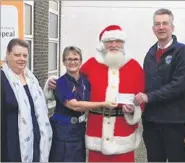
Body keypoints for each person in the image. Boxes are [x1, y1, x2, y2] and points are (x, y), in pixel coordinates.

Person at [44, 25, 145, 162]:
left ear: (123, 43)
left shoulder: (135, 67)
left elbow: (141, 96)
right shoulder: (91, 64)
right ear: (102, 44)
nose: (114, 45)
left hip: (123, 131)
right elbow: (72, 79)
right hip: (96, 130)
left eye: (118, 41)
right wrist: (53, 82)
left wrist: (134, 109)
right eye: (109, 41)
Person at [134, 8, 185, 162]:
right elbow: (144, 83)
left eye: (165, 23)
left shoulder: (181, 51)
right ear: (153, 29)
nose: (161, 27)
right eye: (157, 24)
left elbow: (179, 85)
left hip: (175, 122)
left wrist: (149, 97)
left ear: (172, 27)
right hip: (152, 122)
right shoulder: (150, 53)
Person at [48, 46, 117, 162]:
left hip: (79, 131)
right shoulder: (60, 83)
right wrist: (104, 104)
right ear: (63, 62)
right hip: (63, 133)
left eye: (76, 59)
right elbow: (74, 105)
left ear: (80, 61)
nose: (72, 62)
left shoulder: (85, 81)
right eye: (69, 59)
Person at [1, 38, 52, 162]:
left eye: (25, 55)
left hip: (36, 142)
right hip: (12, 146)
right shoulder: (2, 80)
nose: (22, 58)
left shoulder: (31, 79)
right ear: (8, 54)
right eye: (17, 55)